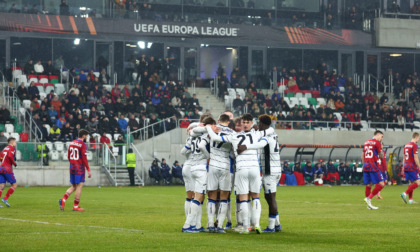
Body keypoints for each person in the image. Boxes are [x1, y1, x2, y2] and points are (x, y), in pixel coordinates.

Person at [206, 113, 273, 234]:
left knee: (243, 198)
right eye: (245, 122)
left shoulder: (234, 136)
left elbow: (216, 138)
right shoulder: (257, 134)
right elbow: (269, 133)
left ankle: (246, 226)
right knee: (256, 197)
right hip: (254, 168)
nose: (245, 124)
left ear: (248, 123)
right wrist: (250, 145)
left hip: (241, 168)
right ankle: (256, 224)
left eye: (247, 122)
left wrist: (208, 128)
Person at [237, 114, 282, 233]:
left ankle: (271, 227)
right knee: (269, 197)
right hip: (275, 168)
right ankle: (277, 224)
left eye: (259, 123)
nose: (258, 125)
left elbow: (260, 144)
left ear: (262, 124)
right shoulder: (272, 133)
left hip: (270, 170)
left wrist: (245, 146)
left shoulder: (268, 135)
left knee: (271, 197)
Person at [190, 114, 234, 233]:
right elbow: (234, 152)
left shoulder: (212, 130)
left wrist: (208, 157)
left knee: (211, 197)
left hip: (213, 165)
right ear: (228, 121)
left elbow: (201, 144)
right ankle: (219, 226)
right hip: (225, 166)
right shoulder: (232, 133)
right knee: (224, 197)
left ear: (219, 121)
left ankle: (210, 225)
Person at [182, 116, 214, 233]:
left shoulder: (193, 135)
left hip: (190, 166)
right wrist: (208, 157)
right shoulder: (205, 135)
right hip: (199, 167)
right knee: (198, 196)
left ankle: (197, 224)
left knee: (192, 197)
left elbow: (183, 151)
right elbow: (201, 146)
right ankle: (188, 225)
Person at [58, 130, 92, 211]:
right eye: (87, 136)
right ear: (83, 136)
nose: (87, 138)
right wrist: (88, 169)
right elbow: (84, 158)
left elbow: (69, 156)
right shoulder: (82, 144)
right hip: (79, 167)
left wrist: (73, 163)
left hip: (72, 166)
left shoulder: (72, 142)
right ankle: (75, 206)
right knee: (80, 185)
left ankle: (63, 200)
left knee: (74, 186)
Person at [362, 130, 384, 210]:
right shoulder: (377, 142)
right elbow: (381, 156)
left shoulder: (366, 142)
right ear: (378, 134)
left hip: (366, 165)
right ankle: (369, 198)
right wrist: (381, 148)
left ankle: (369, 205)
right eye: (381, 136)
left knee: (369, 185)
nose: (381, 139)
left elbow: (363, 155)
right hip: (373, 165)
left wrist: (364, 164)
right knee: (382, 183)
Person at [401, 132, 420, 205]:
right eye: (419, 138)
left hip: (406, 165)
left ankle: (410, 200)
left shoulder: (406, 145)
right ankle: (404, 193)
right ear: (416, 137)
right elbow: (416, 158)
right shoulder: (414, 145)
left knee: (411, 183)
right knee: (418, 183)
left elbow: (404, 157)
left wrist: (403, 166)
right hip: (412, 165)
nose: (419, 139)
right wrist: (419, 166)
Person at [0, 137, 17, 207]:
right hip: (7, 169)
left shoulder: (5, 148)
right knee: (14, 185)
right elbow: (10, 156)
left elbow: (1, 157)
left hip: (1, 167)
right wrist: (14, 163)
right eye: (15, 142)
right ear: (12, 143)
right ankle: (5, 198)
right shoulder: (12, 148)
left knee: (1, 186)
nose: (15, 143)